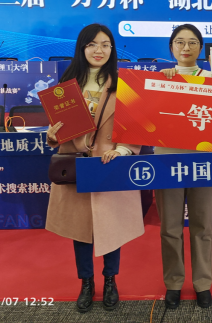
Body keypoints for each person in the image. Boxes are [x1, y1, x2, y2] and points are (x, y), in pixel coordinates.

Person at [45, 23, 143, 313]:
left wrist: (122, 150)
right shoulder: (66, 86)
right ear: (82, 48)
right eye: (92, 45)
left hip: (109, 165)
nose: (98, 50)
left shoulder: (123, 86)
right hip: (77, 166)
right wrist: (52, 135)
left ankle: (110, 280)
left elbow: (134, 128)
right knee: (81, 231)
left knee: (112, 226)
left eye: (105, 45)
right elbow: (58, 131)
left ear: (112, 49)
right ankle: (86, 282)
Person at [155, 24, 212, 310]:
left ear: (201, 48)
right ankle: (173, 282)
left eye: (193, 42)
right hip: (167, 161)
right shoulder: (159, 81)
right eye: (180, 42)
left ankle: (202, 283)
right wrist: (162, 84)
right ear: (171, 47)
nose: (186, 47)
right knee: (170, 226)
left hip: (204, 162)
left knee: (202, 225)